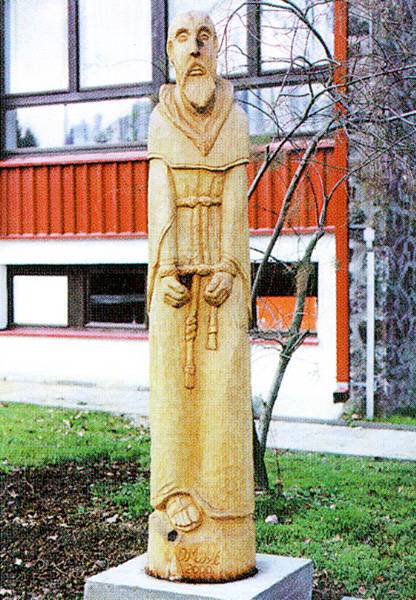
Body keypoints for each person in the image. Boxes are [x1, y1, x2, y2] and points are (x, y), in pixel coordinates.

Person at [146, 10, 255, 582]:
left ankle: (226, 510)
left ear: (217, 52)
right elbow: (158, 198)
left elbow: (237, 202)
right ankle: (171, 496)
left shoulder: (236, 120)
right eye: (183, 39)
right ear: (171, 53)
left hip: (221, 281)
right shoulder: (160, 123)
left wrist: (233, 269)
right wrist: (162, 270)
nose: (194, 50)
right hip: (173, 284)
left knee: (223, 388)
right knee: (173, 387)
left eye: (204, 39)